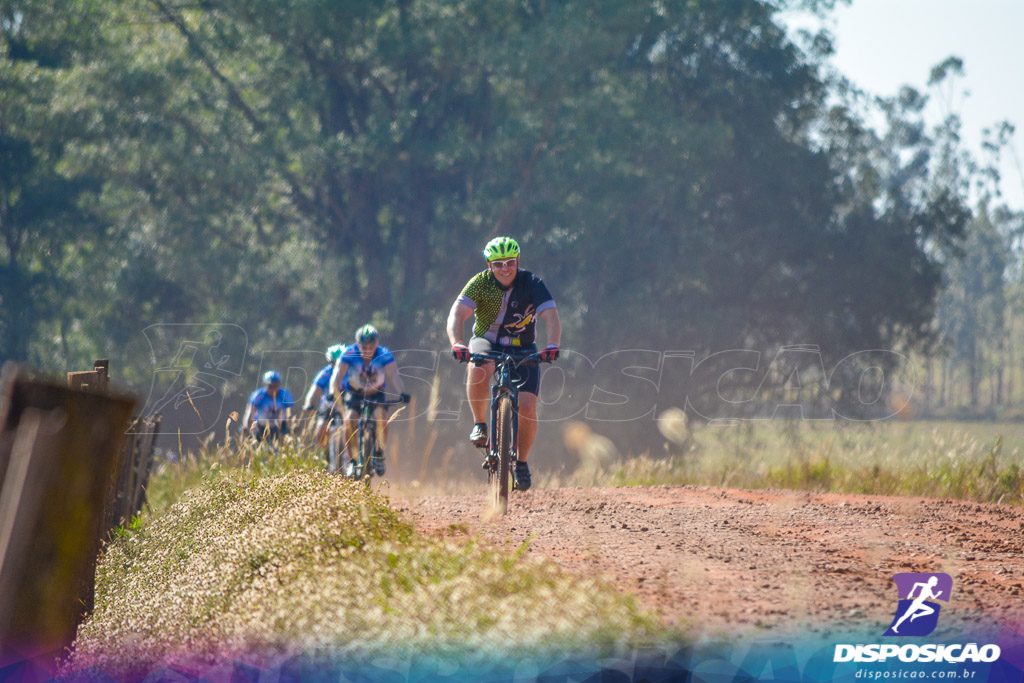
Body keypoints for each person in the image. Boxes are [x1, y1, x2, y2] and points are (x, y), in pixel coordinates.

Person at [445, 236, 561, 492]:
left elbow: (551, 316)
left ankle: (521, 463)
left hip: (523, 346)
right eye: (498, 264)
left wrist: (552, 345)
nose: (504, 269)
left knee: (529, 406)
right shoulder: (479, 283)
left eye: (510, 262)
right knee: (479, 368)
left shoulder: (531, 283)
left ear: (518, 262)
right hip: (487, 340)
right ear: (489, 265)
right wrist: (457, 342)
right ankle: (480, 424)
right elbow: (457, 314)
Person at [329, 324, 409, 477]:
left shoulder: (384, 354)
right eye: (364, 346)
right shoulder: (349, 353)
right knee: (349, 420)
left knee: (383, 419)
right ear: (357, 344)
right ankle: (352, 461)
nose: (367, 349)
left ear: (377, 344)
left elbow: (394, 375)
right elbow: (338, 375)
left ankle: (379, 454)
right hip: (354, 393)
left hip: (376, 393)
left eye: (371, 346)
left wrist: (402, 392)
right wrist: (334, 392)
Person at [301, 344, 345, 467]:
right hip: (328, 406)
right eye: (334, 363)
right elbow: (313, 391)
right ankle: (325, 455)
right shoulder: (325, 373)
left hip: (346, 406)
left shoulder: (350, 371)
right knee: (321, 429)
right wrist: (309, 404)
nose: (337, 366)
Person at [242, 370, 295, 445]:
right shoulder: (258, 395)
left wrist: (292, 427)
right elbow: (249, 413)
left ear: (279, 385)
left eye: (275, 386)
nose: (273, 389)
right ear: (265, 385)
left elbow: (291, 413)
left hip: (280, 428)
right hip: (261, 427)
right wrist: (246, 427)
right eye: (270, 386)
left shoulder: (285, 395)